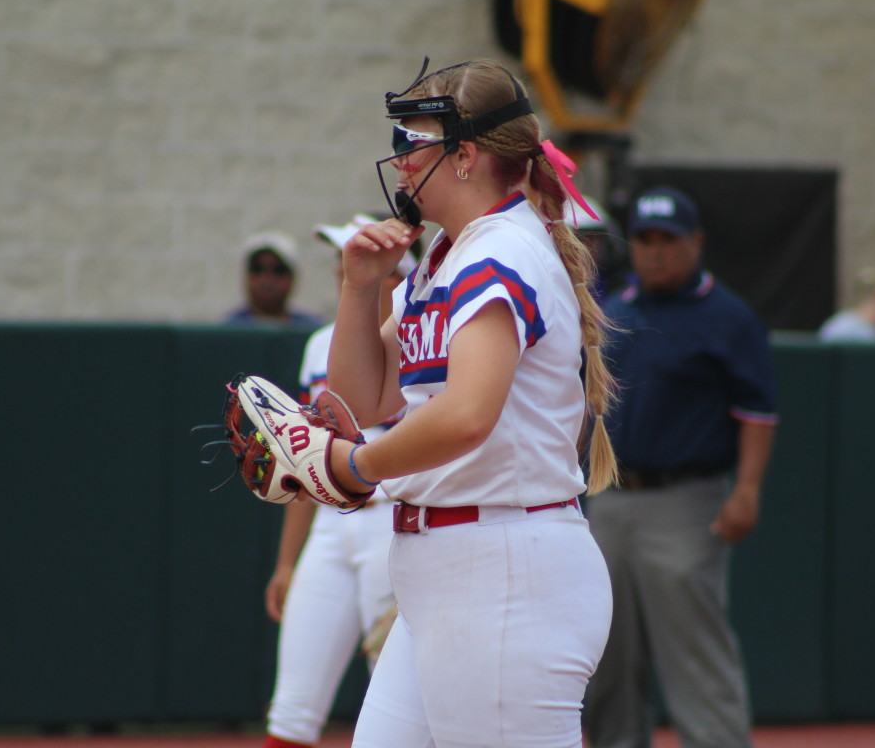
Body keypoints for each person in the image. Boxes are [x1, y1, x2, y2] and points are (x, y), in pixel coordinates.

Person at [308, 57, 620, 748]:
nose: (402, 161)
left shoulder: (497, 251)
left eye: (413, 142)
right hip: (455, 568)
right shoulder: (447, 255)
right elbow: (361, 400)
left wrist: (355, 465)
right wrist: (361, 289)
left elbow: (467, 414)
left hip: (504, 569)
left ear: (466, 156)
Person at [582, 185, 778, 748]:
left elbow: (759, 412)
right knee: (608, 652)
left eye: (668, 239)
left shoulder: (729, 316)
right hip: (613, 499)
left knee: (695, 650)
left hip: (686, 499)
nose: (655, 251)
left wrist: (746, 490)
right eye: (644, 239)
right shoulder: (617, 309)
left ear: (696, 242)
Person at [260, 214, 421, 748]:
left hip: (391, 524)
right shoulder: (319, 345)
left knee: (400, 708)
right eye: (338, 258)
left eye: (355, 256)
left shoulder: (421, 339)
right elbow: (303, 465)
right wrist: (287, 560)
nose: (341, 269)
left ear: (400, 275)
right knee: (291, 709)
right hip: (332, 524)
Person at [224, 231, 325, 327]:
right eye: (257, 269)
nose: (267, 278)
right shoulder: (225, 334)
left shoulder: (311, 332)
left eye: (278, 270)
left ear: (293, 277)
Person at [571, 195, 630, 304]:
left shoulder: (620, 284)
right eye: (580, 238)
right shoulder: (553, 281)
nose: (587, 246)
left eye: (593, 238)